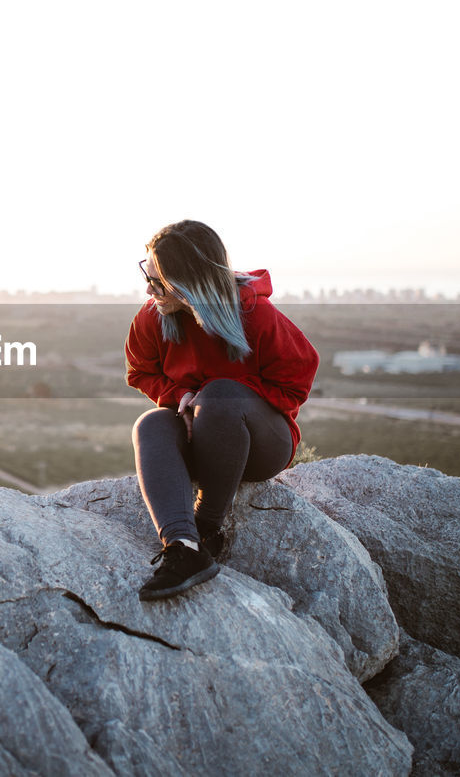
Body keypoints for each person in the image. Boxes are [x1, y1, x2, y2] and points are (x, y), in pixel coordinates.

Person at [125, 220, 319, 601]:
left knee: (221, 397)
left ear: (191, 281)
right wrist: (178, 395)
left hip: (258, 445)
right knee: (151, 424)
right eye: (147, 274)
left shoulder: (256, 316)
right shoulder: (153, 317)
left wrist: (221, 401)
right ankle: (184, 547)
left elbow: (296, 383)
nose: (149, 289)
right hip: (197, 437)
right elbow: (140, 372)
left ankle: (208, 525)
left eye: (159, 281)